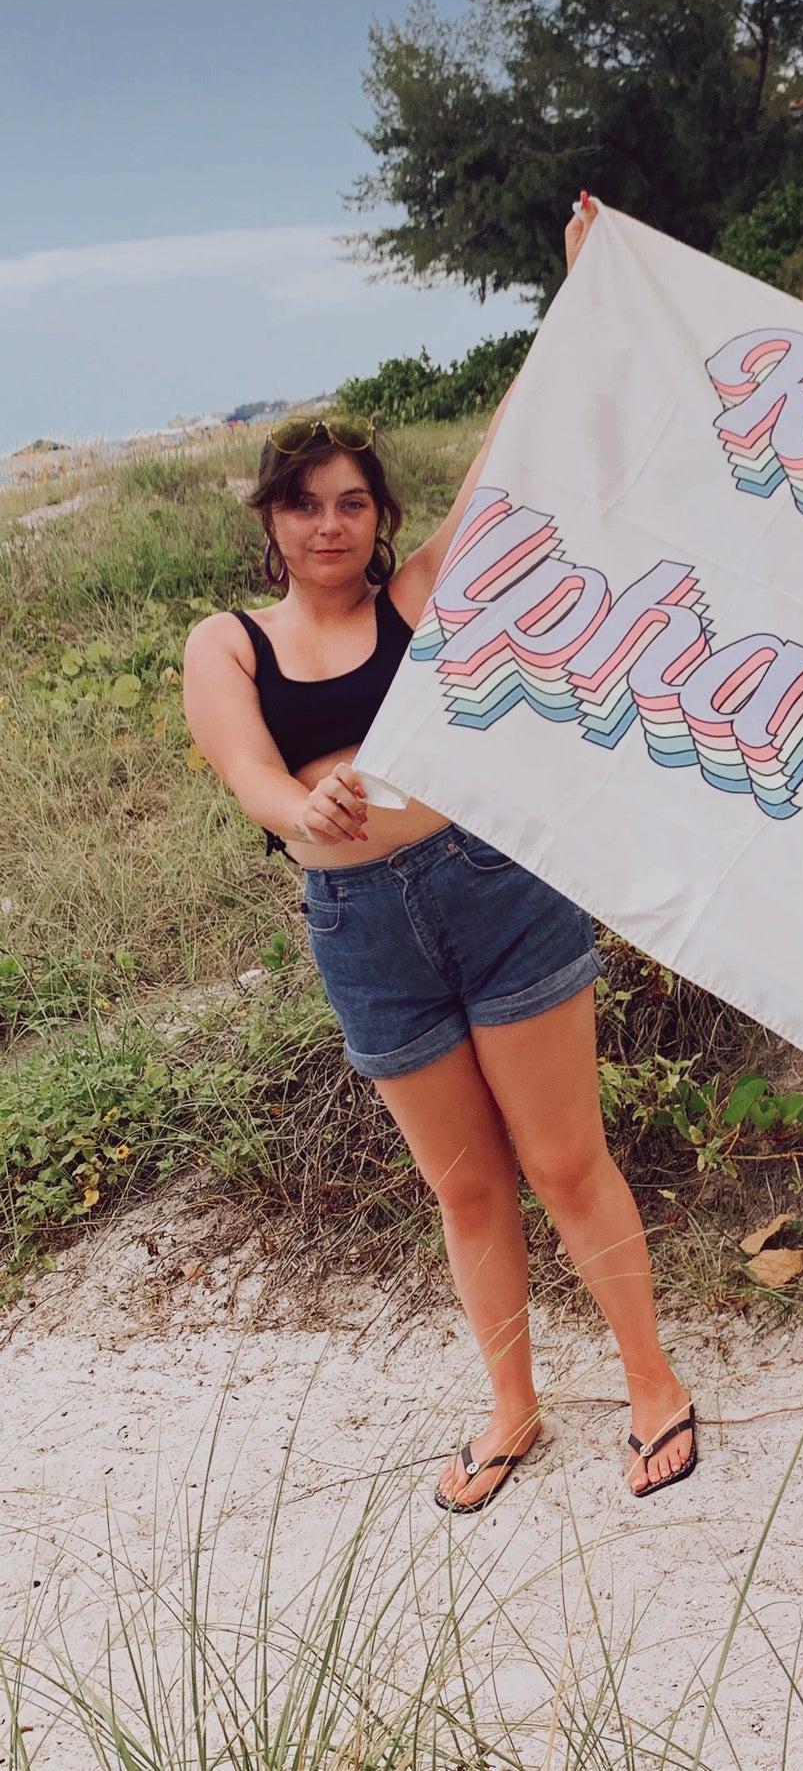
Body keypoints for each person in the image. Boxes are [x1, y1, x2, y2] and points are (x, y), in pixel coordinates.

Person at [183, 194, 696, 1512]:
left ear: (380, 518)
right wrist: (303, 816)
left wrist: (579, 288)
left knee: (564, 1162)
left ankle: (652, 1387)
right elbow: (251, 774)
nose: (329, 525)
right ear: (272, 522)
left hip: (491, 889)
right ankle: (513, 1409)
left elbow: (513, 462)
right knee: (466, 1193)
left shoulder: (420, 605)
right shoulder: (225, 643)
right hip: (362, 934)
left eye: (351, 503)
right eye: (303, 506)